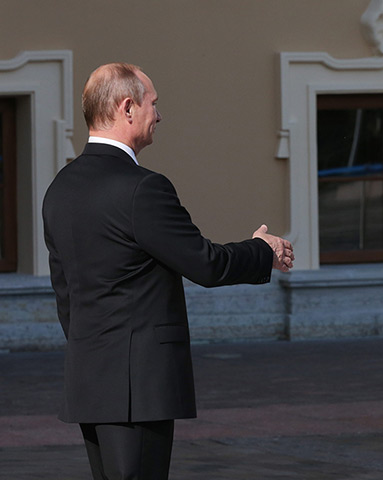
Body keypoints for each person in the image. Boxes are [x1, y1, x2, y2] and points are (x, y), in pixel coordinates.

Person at [42, 63, 294, 480]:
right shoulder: (143, 187)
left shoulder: (59, 188)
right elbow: (205, 263)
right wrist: (262, 250)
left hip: (91, 381)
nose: (159, 115)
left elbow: (65, 293)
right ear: (127, 108)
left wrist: (98, 357)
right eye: (153, 104)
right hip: (139, 387)